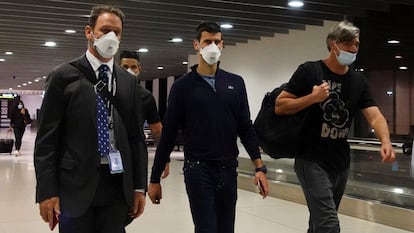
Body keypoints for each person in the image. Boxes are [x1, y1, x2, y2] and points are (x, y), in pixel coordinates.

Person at [34, 5, 147, 233]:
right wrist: (47, 191)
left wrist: (139, 187)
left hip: (117, 182)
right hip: (74, 184)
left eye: (117, 32)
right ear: (89, 32)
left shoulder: (128, 82)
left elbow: (136, 139)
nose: (111, 37)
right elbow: (47, 140)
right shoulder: (63, 77)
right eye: (105, 30)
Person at [148, 21, 269, 233]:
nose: (212, 46)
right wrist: (155, 178)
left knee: (225, 228)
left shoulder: (235, 83)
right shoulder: (183, 87)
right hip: (198, 169)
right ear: (197, 45)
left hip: (228, 169)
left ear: (222, 45)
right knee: (206, 228)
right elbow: (168, 133)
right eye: (207, 42)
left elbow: (246, 127)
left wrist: (259, 167)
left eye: (217, 42)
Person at [276, 20, 396, 233]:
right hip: (310, 159)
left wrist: (385, 141)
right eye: (348, 43)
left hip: (340, 161)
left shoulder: (358, 81)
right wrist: (312, 98)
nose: (353, 49)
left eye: (357, 44)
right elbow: (281, 105)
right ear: (333, 44)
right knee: (329, 225)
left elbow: (375, 115)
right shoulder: (309, 71)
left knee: (319, 223)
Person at [120, 50, 170, 178]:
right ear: (118, 68)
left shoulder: (146, 97)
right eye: (125, 67)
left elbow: (157, 131)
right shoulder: (108, 93)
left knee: (137, 195)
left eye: (133, 67)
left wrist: (164, 158)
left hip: (137, 154)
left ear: (139, 69)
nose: (129, 70)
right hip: (112, 154)